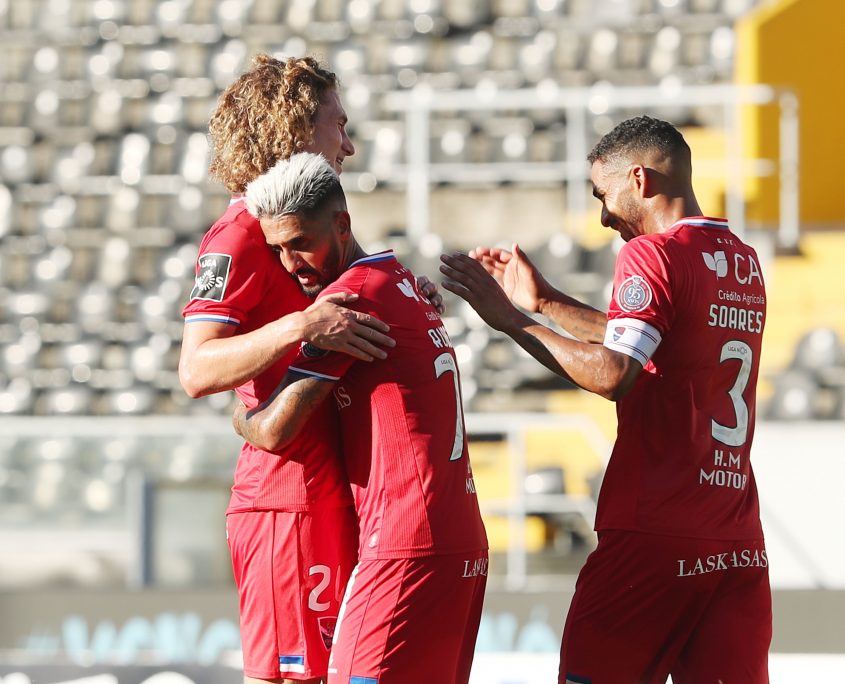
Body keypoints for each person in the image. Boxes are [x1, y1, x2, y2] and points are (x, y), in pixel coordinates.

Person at [440, 116, 771, 683]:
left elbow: (616, 373)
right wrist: (546, 301)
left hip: (652, 537)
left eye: (603, 194)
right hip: (736, 542)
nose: (602, 216)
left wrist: (513, 322)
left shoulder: (651, 255)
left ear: (638, 179)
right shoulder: (742, 260)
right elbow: (654, 343)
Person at [179, 54, 441, 684]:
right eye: (338, 125)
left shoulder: (308, 218)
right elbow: (196, 368)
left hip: (333, 493)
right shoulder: (241, 234)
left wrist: (407, 294)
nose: (347, 144)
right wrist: (299, 325)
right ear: (295, 128)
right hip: (284, 502)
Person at [235, 152, 489, 684]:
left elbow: (273, 431)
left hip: (403, 541)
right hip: (461, 540)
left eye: (300, 243)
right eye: (277, 249)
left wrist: (240, 415)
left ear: (343, 225)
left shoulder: (347, 301)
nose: (289, 264)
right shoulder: (397, 281)